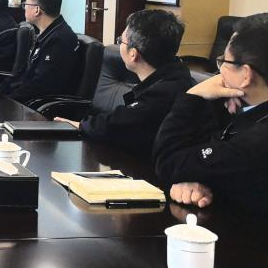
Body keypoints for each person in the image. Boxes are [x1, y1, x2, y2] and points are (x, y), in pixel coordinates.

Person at [154, 12, 268, 212]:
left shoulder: (262, 140)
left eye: (224, 62)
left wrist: (193, 95)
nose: (220, 71)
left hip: (259, 228)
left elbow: (168, 163)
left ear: (246, 75)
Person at [54, 9, 192, 157]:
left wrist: (80, 125)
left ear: (133, 54)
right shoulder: (177, 74)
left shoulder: (164, 93)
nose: (119, 43)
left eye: (121, 41)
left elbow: (117, 125)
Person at [0, 0, 78, 104]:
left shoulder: (59, 40)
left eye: (26, 4)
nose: (24, 8)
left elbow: (40, 86)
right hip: (27, 98)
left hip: (39, 106)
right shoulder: (48, 33)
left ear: (37, 10)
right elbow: (25, 73)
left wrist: (6, 101)